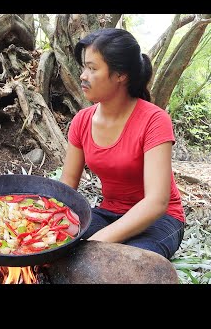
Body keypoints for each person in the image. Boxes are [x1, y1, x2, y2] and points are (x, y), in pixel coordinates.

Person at [60, 28, 185, 260]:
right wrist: (51, 224)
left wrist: (94, 242)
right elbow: (67, 184)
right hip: (109, 213)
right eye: (84, 67)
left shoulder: (154, 120)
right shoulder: (82, 121)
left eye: (92, 68)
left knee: (126, 263)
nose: (83, 76)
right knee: (55, 248)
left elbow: (157, 201)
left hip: (160, 220)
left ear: (121, 75)